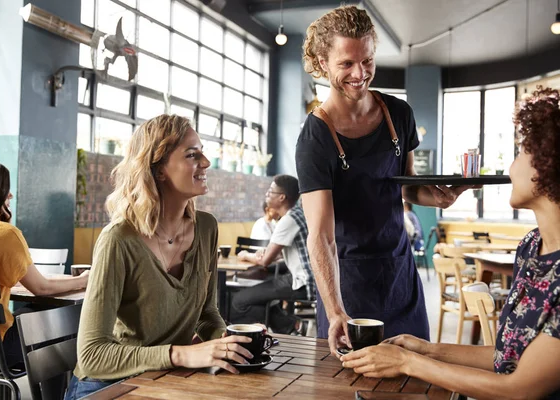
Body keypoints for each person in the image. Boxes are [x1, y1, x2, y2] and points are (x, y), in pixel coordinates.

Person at [340, 87, 560, 400]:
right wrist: (427, 349)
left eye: (521, 152)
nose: (512, 167)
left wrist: (408, 362)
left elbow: (519, 388)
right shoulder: (531, 247)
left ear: (549, 162)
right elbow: (506, 355)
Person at [295, 5, 473, 356]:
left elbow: (408, 186)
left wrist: (438, 197)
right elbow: (321, 235)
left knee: (417, 375)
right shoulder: (315, 138)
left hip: (399, 275)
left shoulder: (399, 114)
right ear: (322, 63)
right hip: (347, 286)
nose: (360, 73)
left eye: (367, 60)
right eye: (346, 64)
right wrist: (335, 312)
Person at [66, 115, 253, 399]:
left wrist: (226, 341)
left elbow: (206, 314)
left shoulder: (206, 228)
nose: (205, 162)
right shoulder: (118, 239)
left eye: (202, 152)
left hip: (167, 381)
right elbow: (93, 356)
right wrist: (182, 355)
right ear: (159, 169)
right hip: (107, 386)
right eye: (192, 154)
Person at [0, 156, 89, 372]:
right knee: (57, 321)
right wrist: (82, 281)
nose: (10, 195)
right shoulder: (3, 233)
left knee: (33, 313)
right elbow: (42, 288)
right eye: (5, 188)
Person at [232, 175, 315, 335]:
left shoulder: (288, 220)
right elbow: (279, 253)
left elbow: (264, 261)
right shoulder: (298, 214)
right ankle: (291, 326)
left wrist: (245, 255)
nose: (266, 195)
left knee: (240, 300)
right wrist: (266, 253)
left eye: (270, 191)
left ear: (282, 197)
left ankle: (255, 336)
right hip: (307, 278)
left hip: (303, 283)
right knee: (258, 298)